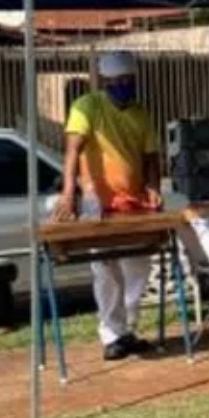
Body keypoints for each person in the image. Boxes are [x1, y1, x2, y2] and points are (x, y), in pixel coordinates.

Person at [56, 51, 164, 361]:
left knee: (139, 267)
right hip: (96, 200)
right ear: (105, 82)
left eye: (128, 81)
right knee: (105, 270)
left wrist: (153, 187)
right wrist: (68, 193)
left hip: (133, 200)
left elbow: (151, 157)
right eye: (117, 82)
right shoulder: (86, 107)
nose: (124, 86)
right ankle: (112, 334)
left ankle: (127, 327)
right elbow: (73, 151)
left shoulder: (141, 114)